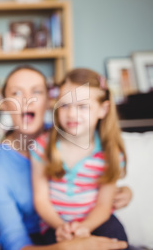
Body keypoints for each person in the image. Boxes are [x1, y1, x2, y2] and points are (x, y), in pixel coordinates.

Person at [0, 65, 131, 250]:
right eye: (16, 92)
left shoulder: (73, 131)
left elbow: (103, 195)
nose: (27, 100)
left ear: (49, 100)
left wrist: (124, 191)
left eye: (36, 92)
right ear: (4, 103)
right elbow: (15, 242)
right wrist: (73, 244)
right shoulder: (0, 163)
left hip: (94, 226)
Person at [30, 68, 128, 245]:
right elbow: (41, 199)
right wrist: (61, 227)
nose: (72, 114)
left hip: (96, 221)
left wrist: (85, 227)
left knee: (115, 236)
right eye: (65, 105)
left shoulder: (110, 153)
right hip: (55, 225)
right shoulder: (42, 146)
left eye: (82, 106)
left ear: (103, 110)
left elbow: (104, 205)